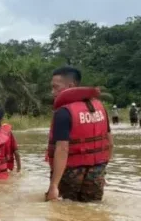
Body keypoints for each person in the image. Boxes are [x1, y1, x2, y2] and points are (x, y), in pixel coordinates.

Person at [47, 66, 112, 202]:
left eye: (55, 87)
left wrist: (53, 186)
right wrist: (101, 173)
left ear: (70, 86)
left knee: (63, 215)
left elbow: (62, 149)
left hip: (70, 173)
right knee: (93, 212)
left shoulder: (63, 112)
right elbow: (109, 143)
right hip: (96, 172)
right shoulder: (100, 107)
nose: (52, 92)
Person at [0, 107, 21, 173]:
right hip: (5, 169)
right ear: (2, 119)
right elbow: (16, 153)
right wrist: (19, 169)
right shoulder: (8, 133)